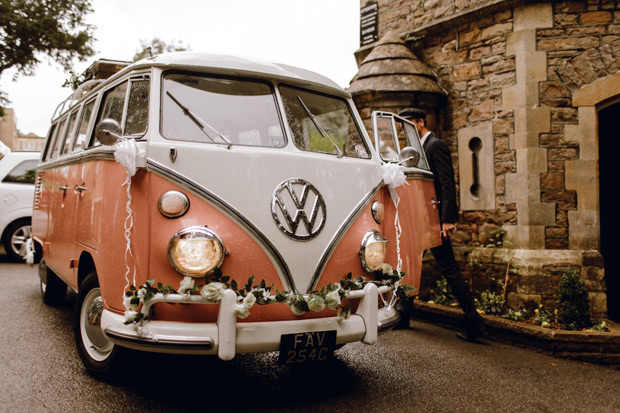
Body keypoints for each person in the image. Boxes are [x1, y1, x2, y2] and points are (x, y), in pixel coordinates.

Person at [398, 107, 485, 341]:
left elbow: (447, 184)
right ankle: (403, 314)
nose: (405, 131)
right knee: (410, 265)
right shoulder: (414, 150)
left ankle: (473, 321)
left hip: (435, 220)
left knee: (449, 269)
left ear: (421, 121)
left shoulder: (436, 146)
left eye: (408, 125)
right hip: (419, 218)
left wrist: (447, 219)